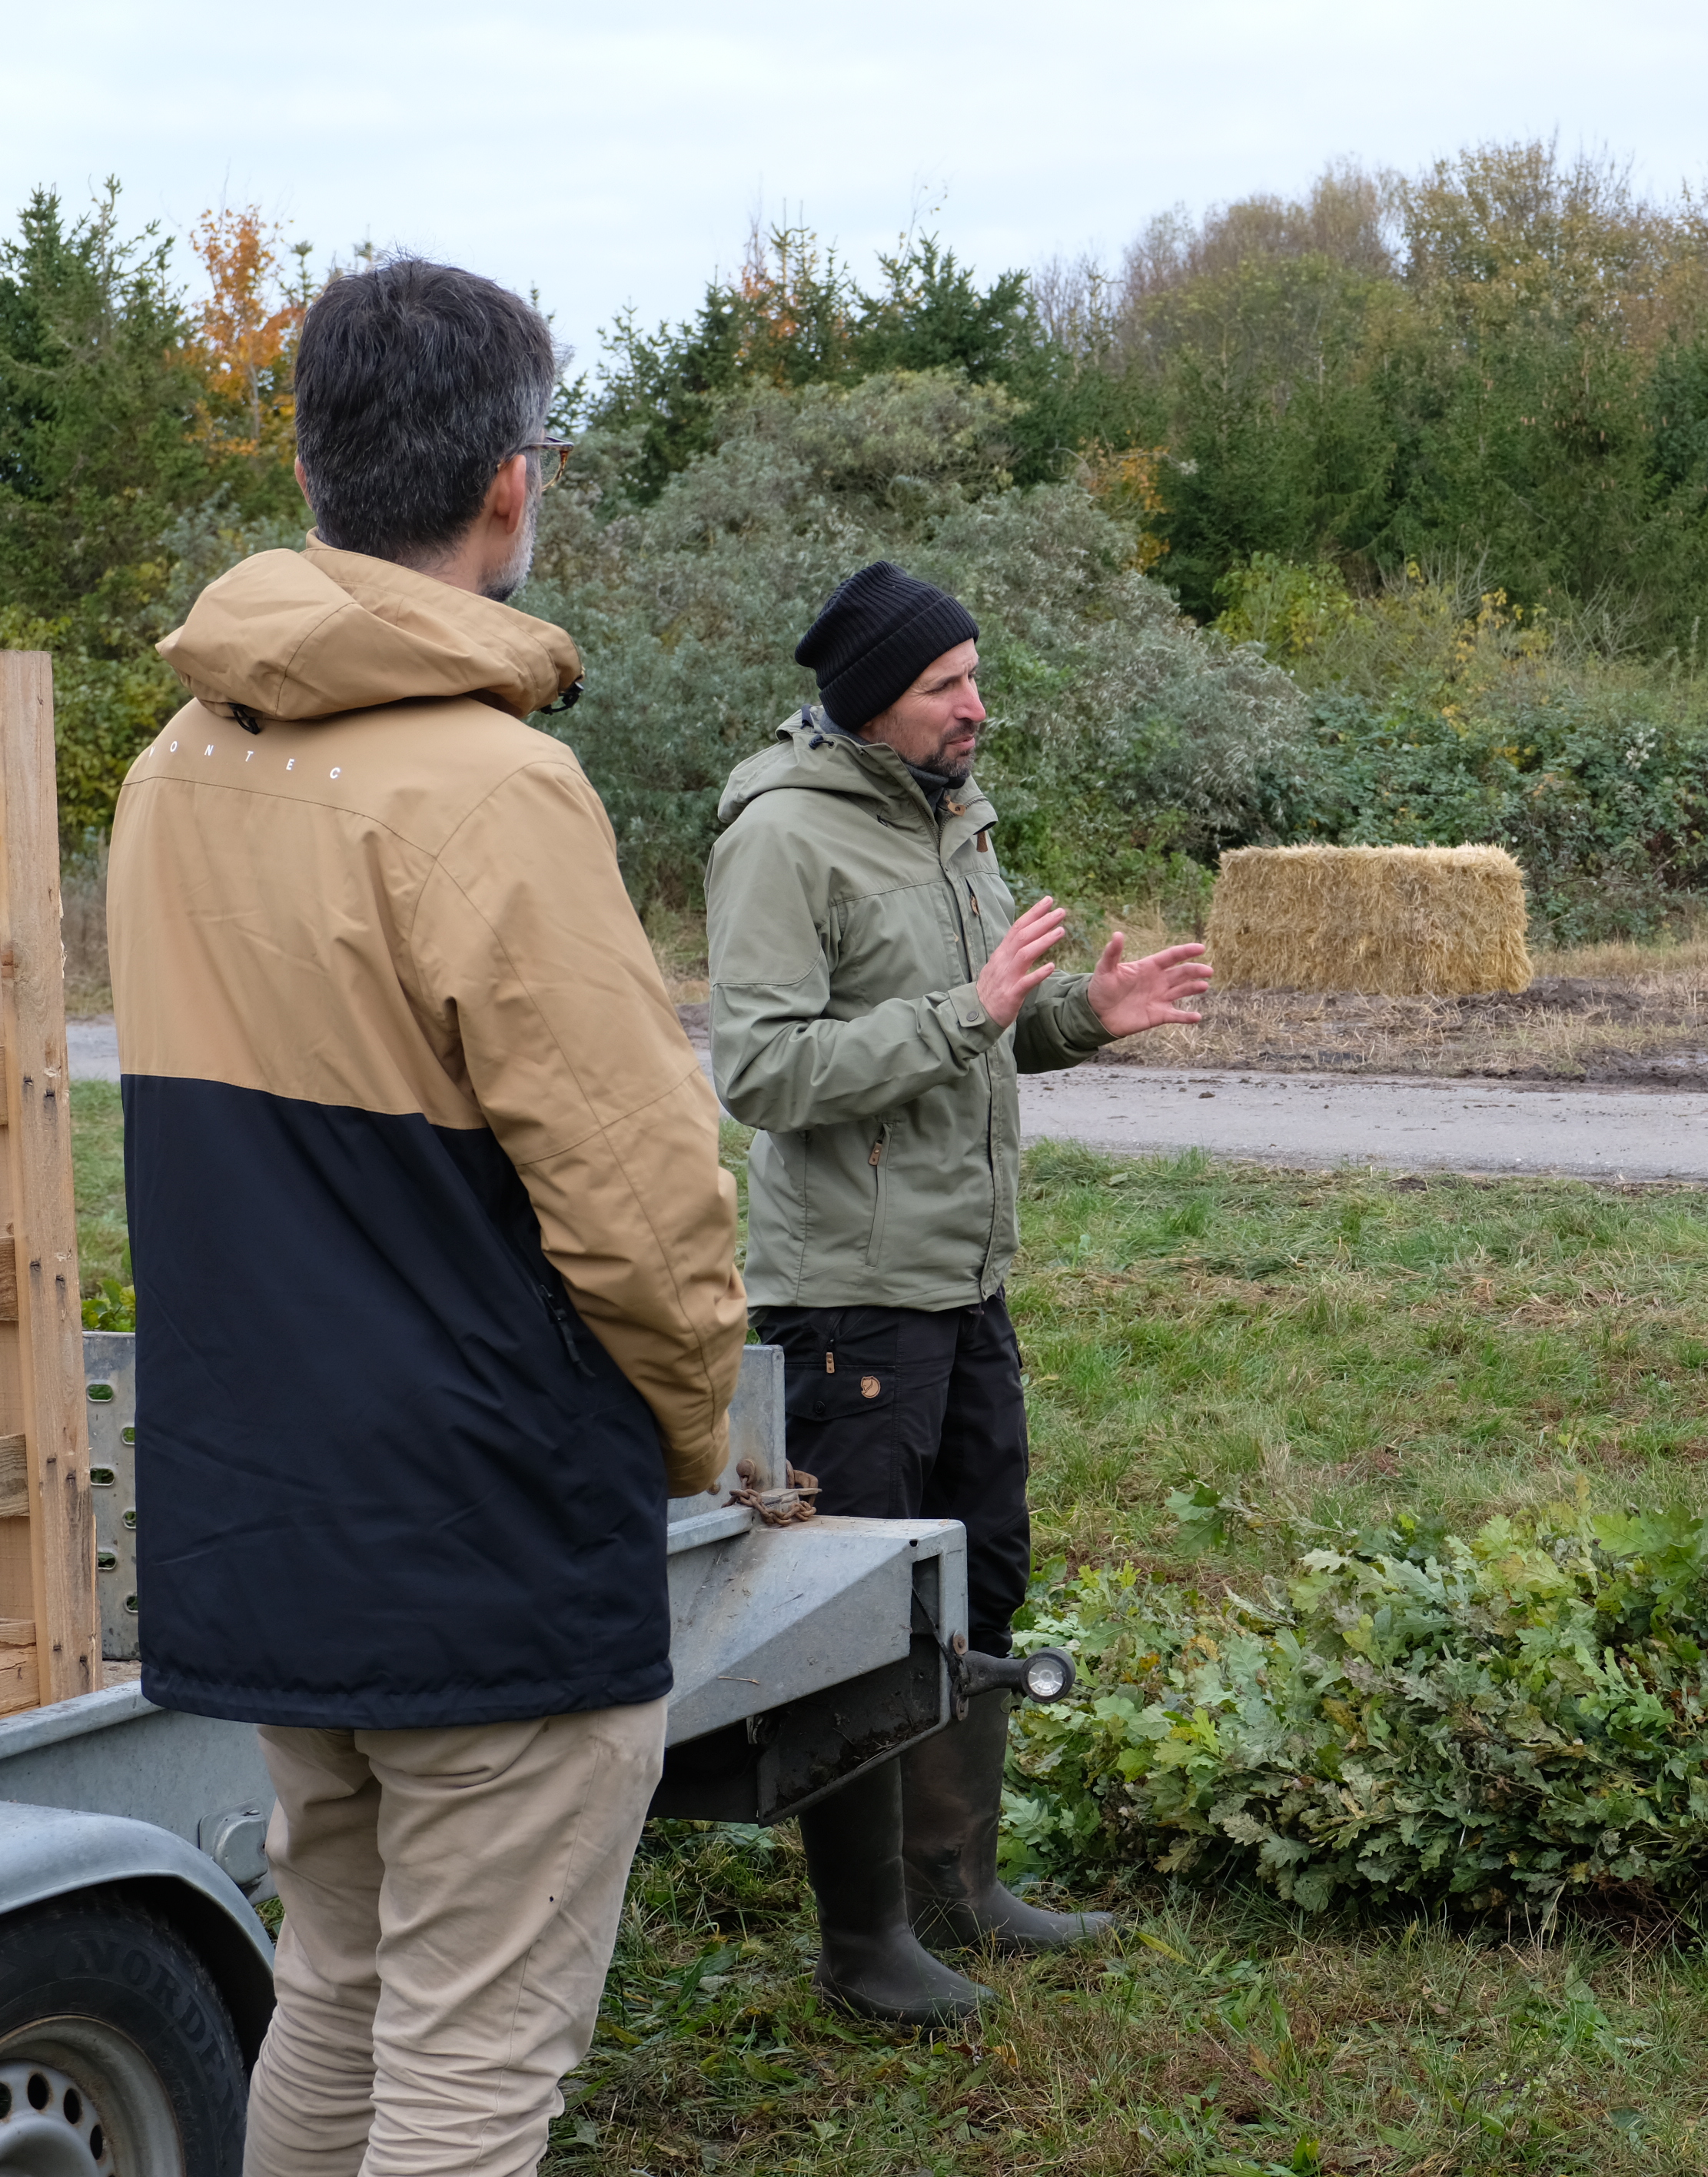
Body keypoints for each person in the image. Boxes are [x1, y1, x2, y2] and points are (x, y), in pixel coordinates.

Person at [115, 260, 746, 2172]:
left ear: (309, 461)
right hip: (479, 1524)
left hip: (265, 1503)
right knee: (476, 2063)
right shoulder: (495, 788)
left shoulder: (169, 772)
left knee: (340, 1988)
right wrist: (690, 1426)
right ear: (509, 491)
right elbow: (645, 1209)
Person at [705, 561, 1215, 2025]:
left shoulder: (948, 821)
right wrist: (970, 1010)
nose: (976, 705)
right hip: (848, 1298)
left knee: (980, 1576)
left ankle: (962, 1888)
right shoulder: (786, 838)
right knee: (856, 1614)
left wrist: (1070, 1020)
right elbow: (763, 1071)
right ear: (876, 699)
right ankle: (865, 1948)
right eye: (948, 685)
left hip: (963, 1278)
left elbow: (972, 1035)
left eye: (975, 676)